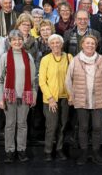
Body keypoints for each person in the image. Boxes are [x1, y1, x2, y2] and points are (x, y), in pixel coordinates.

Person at [65, 35, 102, 166]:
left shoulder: (101, 60)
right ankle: (84, 153)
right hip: (81, 100)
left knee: (97, 127)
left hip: (97, 100)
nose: (90, 45)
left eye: (93, 43)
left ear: (95, 46)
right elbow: (68, 80)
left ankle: (96, 153)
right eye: (87, 43)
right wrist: (71, 95)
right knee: (83, 127)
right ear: (82, 45)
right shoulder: (75, 60)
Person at [0, 30, 37, 163]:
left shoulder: (28, 57)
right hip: (9, 97)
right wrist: (0, 98)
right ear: (10, 41)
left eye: (19, 39)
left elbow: (33, 80)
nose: (17, 42)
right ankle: (9, 151)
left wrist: (34, 95)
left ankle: (21, 150)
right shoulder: (4, 57)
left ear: (23, 41)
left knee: (22, 124)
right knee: (10, 124)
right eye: (14, 39)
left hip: (25, 96)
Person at [39, 34, 73, 162]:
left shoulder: (69, 57)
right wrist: (51, 99)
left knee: (62, 125)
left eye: (57, 42)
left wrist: (71, 96)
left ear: (62, 44)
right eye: (52, 43)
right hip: (50, 99)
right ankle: (48, 150)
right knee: (51, 126)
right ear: (49, 45)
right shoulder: (45, 59)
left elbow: (72, 78)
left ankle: (59, 149)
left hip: (65, 98)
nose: (55, 45)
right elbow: (42, 81)